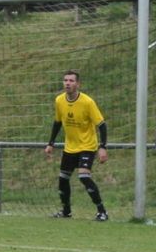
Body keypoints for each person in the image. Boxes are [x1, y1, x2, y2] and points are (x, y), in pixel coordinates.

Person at [45, 70, 109, 221]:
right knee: (63, 178)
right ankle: (66, 211)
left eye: (71, 81)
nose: (67, 83)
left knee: (84, 176)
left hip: (87, 146)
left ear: (78, 84)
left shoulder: (87, 102)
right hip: (70, 147)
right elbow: (57, 122)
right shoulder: (59, 100)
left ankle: (102, 212)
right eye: (65, 80)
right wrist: (50, 144)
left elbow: (102, 125)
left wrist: (103, 147)